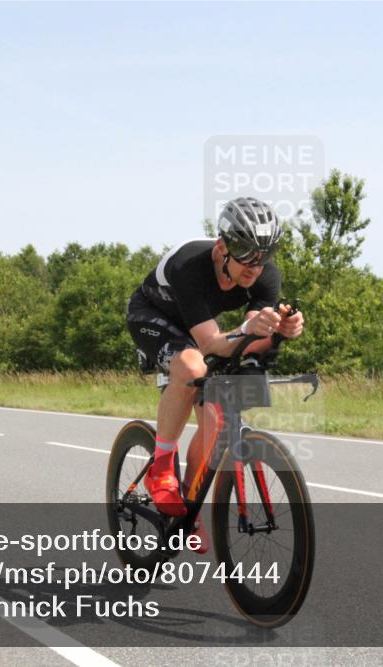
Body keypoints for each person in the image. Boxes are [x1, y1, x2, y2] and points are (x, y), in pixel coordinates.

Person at [126, 197, 305, 552]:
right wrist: (249, 331)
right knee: (192, 368)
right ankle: (161, 467)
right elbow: (210, 344)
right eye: (246, 254)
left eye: (264, 255)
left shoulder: (267, 276)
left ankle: (188, 510)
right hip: (153, 317)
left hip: (199, 330)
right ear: (222, 247)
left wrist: (281, 330)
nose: (256, 265)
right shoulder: (189, 264)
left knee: (217, 418)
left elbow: (252, 339)